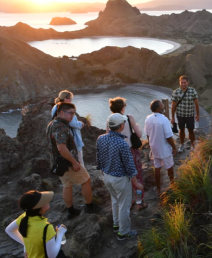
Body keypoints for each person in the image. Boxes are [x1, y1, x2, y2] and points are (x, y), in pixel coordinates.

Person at [47, 102, 100, 219]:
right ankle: (89, 206)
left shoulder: (52, 124)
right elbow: (61, 148)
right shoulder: (61, 127)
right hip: (68, 163)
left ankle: (71, 211)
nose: (72, 115)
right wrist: (74, 162)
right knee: (86, 180)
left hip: (58, 163)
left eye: (74, 113)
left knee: (67, 185)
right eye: (70, 113)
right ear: (61, 112)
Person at [97, 113, 144, 241]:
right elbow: (129, 166)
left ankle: (116, 224)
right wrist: (136, 183)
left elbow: (99, 159)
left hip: (107, 176)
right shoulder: (122, 143)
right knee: (124, 205)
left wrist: (104, 172)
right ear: (122, 126)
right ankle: (123, 233)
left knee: (115, 201)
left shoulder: (101, 138)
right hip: (120, 179)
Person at [107, 97, 146, 210]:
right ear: (122, 108)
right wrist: (137, 127)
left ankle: (129, 202)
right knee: (137, 177)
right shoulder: (129, 118)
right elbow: (138, 135)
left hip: (117, 153)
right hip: (131, 151)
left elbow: (108, 137)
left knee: (124, 179)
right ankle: (139, 201)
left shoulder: (109, 120)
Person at [5, 190, 67, 258]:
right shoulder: (46, 228)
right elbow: (52, 256)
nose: (47, 201)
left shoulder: (25, 216)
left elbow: (9, 230)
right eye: (44, 201)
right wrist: (60, 234)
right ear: (38, 208)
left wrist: (26, 244)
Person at [145, 100, 177, 195]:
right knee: (169, 166)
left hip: (154, 148)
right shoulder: (164, 119)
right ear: (158, 109)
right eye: (162, 105)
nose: (164, 106)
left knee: (157, 167)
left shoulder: (148, 119)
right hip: (164, 148)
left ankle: (158, 189)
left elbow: (147, 135)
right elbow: (168, 136)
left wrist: (151, 144)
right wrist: (174, 148)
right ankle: (172, 185)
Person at [51, 90, 85, 166]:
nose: (71, 100)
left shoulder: (55, 107)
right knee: (79, 160)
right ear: (65, 99)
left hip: (63, 137)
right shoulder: (66, 109)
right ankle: (83, 175)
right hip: (72, 138)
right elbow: (72, 123)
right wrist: (81, 124)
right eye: (70, 98)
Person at [171, 75, 200, 152]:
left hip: (190, 115)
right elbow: (173, 105)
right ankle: (182, 144)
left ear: (187, 83)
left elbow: (196, 104)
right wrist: (173, 117)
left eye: (184, 82)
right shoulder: (176, 92)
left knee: (191, 130)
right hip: (180, 115)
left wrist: (197, 114)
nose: (183, 84)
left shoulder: (192, 91)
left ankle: (193, 145)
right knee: (181, 130)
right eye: (181, 82)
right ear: (179, 83)